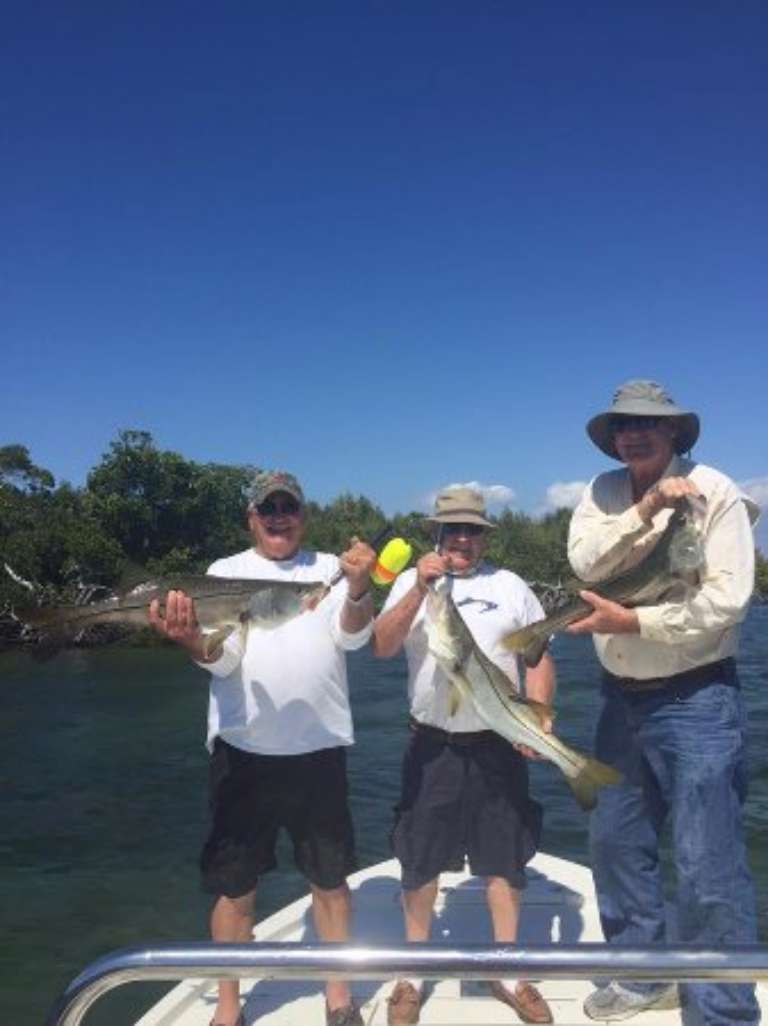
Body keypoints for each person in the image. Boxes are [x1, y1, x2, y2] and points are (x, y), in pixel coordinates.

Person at [148, 469, 376, 1026]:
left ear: (303, 516)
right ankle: (228, 1009)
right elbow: (221, 659)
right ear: (251, 518)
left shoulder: (330, 569)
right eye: (268, 508)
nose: (279, 517)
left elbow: (354, 637)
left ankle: (338, 998)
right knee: (234, 888)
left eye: (288, 507)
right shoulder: (223, 574)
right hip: (242, 752)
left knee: (330, 881)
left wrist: (359, 588)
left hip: (319, 751)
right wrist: (190, 641)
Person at [567, 380, 760, 1025]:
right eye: (622, 425)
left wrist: (635, 623)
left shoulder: (717, 490)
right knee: (614, 843)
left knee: (708, 861)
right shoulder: (600, 493)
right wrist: (646, 507)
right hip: (616, 698)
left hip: (698, 697)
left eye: (648, 423)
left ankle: (722, 1010)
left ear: (674, 430)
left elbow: (727, 601)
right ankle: (643, 974)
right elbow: (586, 564)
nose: (634, 434)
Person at [372, 485, 556, 1026]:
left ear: (484, 537)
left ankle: (508, 972)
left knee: (506, 861)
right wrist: (418, 588)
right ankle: (412, 974)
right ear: (436, 533)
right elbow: (381, 645)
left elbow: (537, 657)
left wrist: (540, 716)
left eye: (471, 529)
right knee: (420, 860)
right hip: (433, 747)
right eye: (452, 528)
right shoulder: (411, 582)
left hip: (501, 743)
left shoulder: (512, 586)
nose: (461, 538)